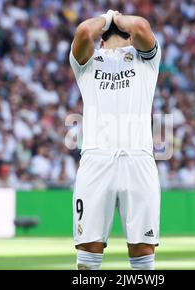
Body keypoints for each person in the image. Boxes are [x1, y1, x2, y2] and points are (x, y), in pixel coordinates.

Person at [69, 10, 161, 270]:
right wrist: (110, 18)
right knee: (88, 249)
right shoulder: (88, 61)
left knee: (143, 249)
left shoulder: (145, 60)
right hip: (97, 159)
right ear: (99, 44)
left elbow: (142, 27)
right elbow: (84, 31)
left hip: (138, 158)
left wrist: (115, 19)